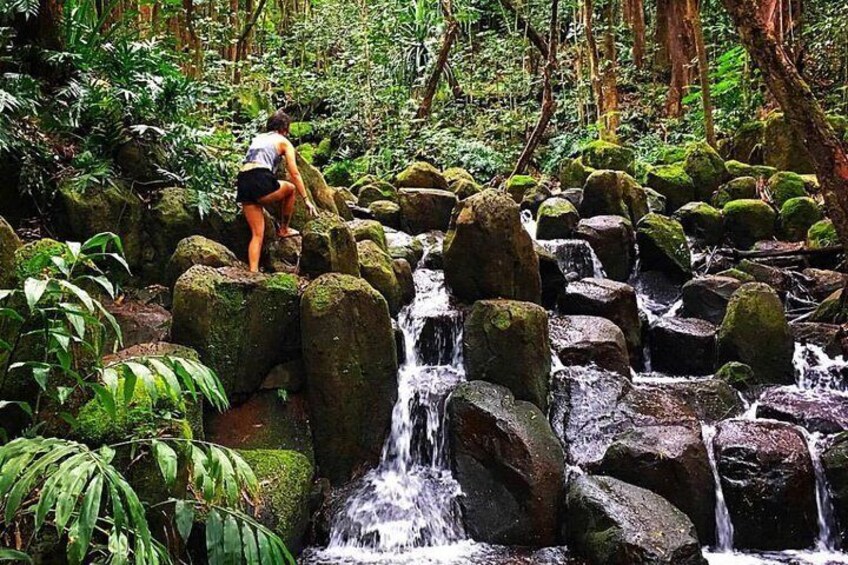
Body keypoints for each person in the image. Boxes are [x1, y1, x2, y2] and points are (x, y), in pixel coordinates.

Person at [236, 109, 317, 272]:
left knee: (257, 234)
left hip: (243, 180)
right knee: (290, 189)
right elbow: (294, 172)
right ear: (284, 129)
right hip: (260, 178)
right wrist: (307, 199)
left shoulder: (258, 138)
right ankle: (284, 229)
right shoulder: (283, 141)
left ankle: (253, 272)